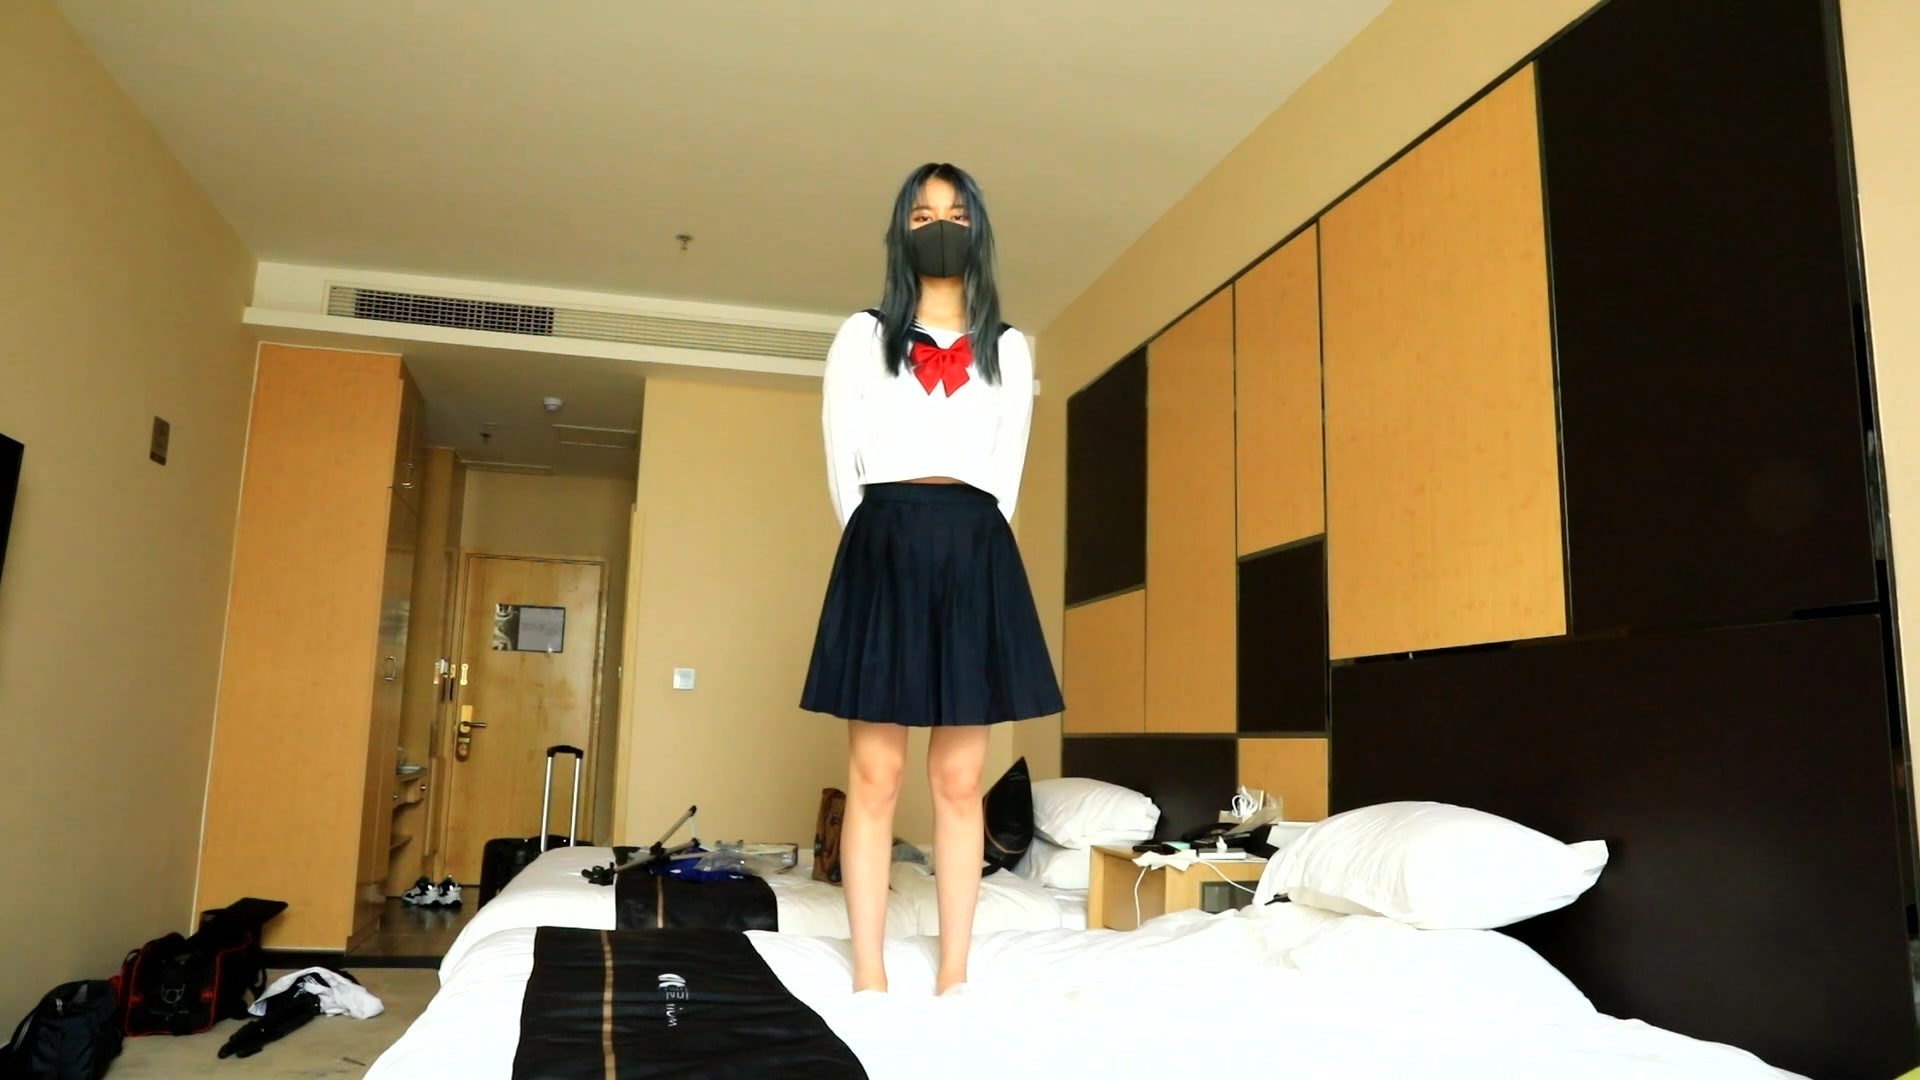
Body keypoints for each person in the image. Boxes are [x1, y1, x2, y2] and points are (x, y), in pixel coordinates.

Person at [800, 162, 1064, 996]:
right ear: (900, 232)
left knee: (959, 781)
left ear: (977, 230)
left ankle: (954, 973)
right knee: (875, 776)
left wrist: (971, 550)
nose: (939, 226)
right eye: (922, 215)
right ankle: (869, 972)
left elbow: (1008, 472)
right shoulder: (861, 336)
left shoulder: (1009, 347)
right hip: (884, 540)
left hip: (974, 544)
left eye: (954, 213)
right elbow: (841, 459)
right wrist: (878, 546)